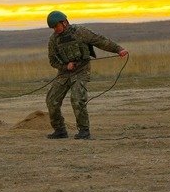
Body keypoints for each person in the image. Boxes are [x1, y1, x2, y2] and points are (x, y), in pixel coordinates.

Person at [45, 10, 128, 140]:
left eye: (56, 26)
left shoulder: (80, 32)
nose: (55, 29)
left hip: (81, 71)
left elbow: (100, 40)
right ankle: (60, 130)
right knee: (51, 100)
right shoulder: (53, 40)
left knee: (77, 99)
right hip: (64, 73)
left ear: (64, 22)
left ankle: (84, 131)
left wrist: (118, 49)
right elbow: (52, 61)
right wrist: (65, 66)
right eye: (53, 28)